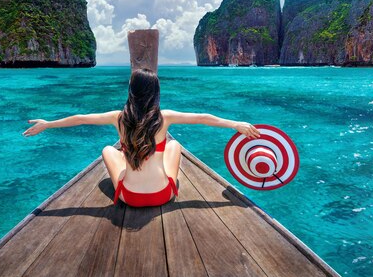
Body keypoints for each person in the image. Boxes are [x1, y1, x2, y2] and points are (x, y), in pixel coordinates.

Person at [22, 68, 260, 207]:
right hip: (163, 195)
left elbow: (81, 118)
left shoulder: (118, 118)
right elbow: (203, 118)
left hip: (129, 197)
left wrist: (48, 124)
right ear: (155, 92)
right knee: (174, 144)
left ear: (131, 91)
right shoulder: (164, 117)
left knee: (107, 149)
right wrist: (235, 124)